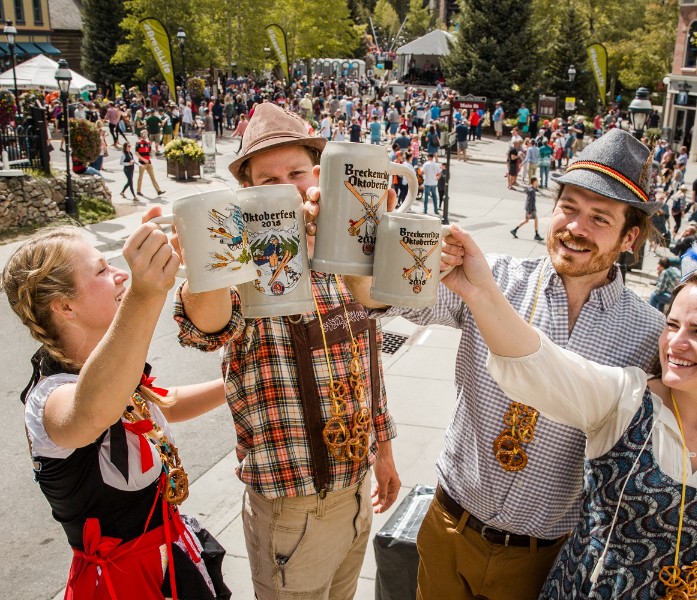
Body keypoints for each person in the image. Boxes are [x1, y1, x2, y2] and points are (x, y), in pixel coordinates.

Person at [334, 128, 666, 599]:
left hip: (544, 558)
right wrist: (346, 234)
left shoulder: (648, 335)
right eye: (569, 207)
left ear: (630, 237)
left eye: (599, 218)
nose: (576, 227)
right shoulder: (496, 278)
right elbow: (379, 299)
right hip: (449, 530)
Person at [438, 234, 697, 599]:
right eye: (672, 325)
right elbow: (540, 366)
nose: (676, 343)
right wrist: (480, 292)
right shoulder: (627, 399)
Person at [174, 102, 400, 599]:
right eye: (265, 180)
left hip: (357, 486)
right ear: (247, 193)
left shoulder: (344, 253)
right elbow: (205, 326)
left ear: (316, 175)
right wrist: (204, 263)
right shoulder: (238, 264)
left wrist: (383, 453)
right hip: (291, 508)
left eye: (295, 172)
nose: (286, 188)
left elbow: (369, 359)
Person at [1, 220, 232, 600]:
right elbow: (92, 413)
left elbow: (161, 404)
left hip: (172, 554)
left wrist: (235, 386)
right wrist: (146, 293)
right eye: (102, 270)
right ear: (65, 307)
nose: (120, 274)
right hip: (121, 583)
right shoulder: (51, 398)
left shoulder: (111, 367)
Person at [510, 177, 543, 241]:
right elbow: (529, 201)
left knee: (527, 220)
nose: (537, 183)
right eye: (537, 181)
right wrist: (529, 212)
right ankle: (536, 234)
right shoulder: (531, 191)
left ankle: (515, 230)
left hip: (530, 208)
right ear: (534, 182)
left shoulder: (531, 189)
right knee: (535, 220)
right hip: (531, 209)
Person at [136, 130, 165, 197]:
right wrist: (143, 159)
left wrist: (151, 155)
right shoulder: (138, 143)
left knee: (153, 177)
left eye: (146, 134)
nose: (145, 135)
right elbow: (136, 153)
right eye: (143, 134)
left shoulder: (148, 143)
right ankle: (138, 190)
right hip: (142, 163)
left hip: (148, 162)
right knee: (140, 177)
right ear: (141, 135)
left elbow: (149, 152)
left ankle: (158, 190)